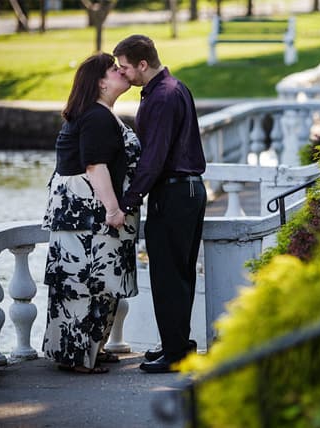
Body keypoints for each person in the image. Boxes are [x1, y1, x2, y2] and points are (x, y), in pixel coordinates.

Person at [42, 53, 141, 374]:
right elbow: (94, 165)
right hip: (85, 218)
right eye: (115, 69)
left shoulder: (98, 114)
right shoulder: (97, 117)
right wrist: (113, 209)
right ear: (100, 82)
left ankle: (89, 350)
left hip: (81, 217)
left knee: (97, 284)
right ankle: (78, 357)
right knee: (84, 284)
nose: (121, 72)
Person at [113, 34, 206, 373]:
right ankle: (177, 346)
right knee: (176, 274)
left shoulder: (164, 96)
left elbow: (154, 156)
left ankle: (176, 353)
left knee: (169, 275)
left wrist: (127, 201)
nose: (123, 74)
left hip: (176, 192)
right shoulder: (169, 89)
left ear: (142, 63)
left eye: (125, 67)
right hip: (184, 191)